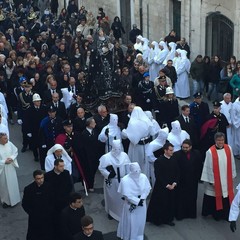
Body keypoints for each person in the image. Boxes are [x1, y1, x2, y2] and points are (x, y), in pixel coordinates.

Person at [201, 132, 236, 221]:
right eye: (219, 140)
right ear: (215, 140)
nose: (221, 142)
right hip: (216, 179)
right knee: (216, 197)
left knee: (226, 196)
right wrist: (212, 181)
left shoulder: (229, 148)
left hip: (227, 178)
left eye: (222, 140)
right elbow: (208, 167)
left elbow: (232, 162)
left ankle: (226, 215)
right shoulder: (210, 151)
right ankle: (216, 215)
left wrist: (232, 174)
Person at [147, 143, 179, 226]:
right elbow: (158, 175)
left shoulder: (174, 160)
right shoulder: (158, 161)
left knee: (170, 203)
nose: (172, 152)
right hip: (161, 187)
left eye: (173, 150)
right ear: (165, 150)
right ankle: (158, 220)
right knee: (160, 203)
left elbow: (177, 173)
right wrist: (167, 185)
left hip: (172, 186)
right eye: (171, 150)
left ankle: (168, 219)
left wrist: (174, 184)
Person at [117, 162, 151, 240]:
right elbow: (126, 195)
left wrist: (142, 198)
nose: (137, 172)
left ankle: (139, 236)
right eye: (135, 171)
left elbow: (147, 189)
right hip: (130, 204)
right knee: (130, 222)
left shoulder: (143, 177)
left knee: (140, 221)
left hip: (142, 204)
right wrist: (136, 201)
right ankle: (128, 236)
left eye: (138, 170)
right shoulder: (125, 180)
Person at [99, 139, 131, 221]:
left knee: (122, 198)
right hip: (113, 181)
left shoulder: (124, 155)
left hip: (123, 180)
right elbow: (101, 168)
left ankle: (122, 213)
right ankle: (111, 213)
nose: (118, 151)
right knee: (112, 198)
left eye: (119, 149)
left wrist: (128, 177)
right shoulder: (106, 157)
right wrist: (109, 175)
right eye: (116, 149)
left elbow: (128, 166)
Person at [45, 159, 73, 239]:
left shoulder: (66, 173)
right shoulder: (48, 176)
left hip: (65, 201)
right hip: (54, 204)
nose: (62, 168)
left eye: (63, 166)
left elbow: (69, 186)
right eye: (60, 166)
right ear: (55, 166)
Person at [22, 170, 54, 240]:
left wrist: (50, 211)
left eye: (42, 178)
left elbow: (53, 200)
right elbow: (25, 204)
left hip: (47, 216)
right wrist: (32, 213)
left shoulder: (49, 186)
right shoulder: (28, 189)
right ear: (34, 179)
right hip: (35, 217)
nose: (41, 180)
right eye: (38, 179)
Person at [174, 139, 202, 220]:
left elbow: (199, 166)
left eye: (186, 147)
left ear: (190, 147)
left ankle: (191, 213)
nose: (185, 149)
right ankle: (180, 214)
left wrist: (198, 177)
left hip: (193, 180)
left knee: (192, 197)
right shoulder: (177, 154)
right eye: (183, 147)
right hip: (181, 180)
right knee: (181, 198)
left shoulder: (196, 153)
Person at [122, 106, 153, 176]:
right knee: (145, 164)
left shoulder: (132, 123)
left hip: (136, 146)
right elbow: (151, 132)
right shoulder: (147, 122)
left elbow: (128, 135)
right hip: (145, 145)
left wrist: (123, 131)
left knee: (135, 161)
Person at [0, 132, 21, 208]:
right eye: (5, 138)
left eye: (7, 138)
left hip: (10, 168)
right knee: (4, 186)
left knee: (13, 184)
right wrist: (3, 161)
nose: (7, 140)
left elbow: (15, 151)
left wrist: (12, 158)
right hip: (2, 169)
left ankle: (15, 199)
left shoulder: (9, 143)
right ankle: (5, 201)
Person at [231, 93, 240, 159]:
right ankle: (236, 153)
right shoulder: (235, 105)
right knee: (237, 139)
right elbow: (234, 116)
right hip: (238, 125)